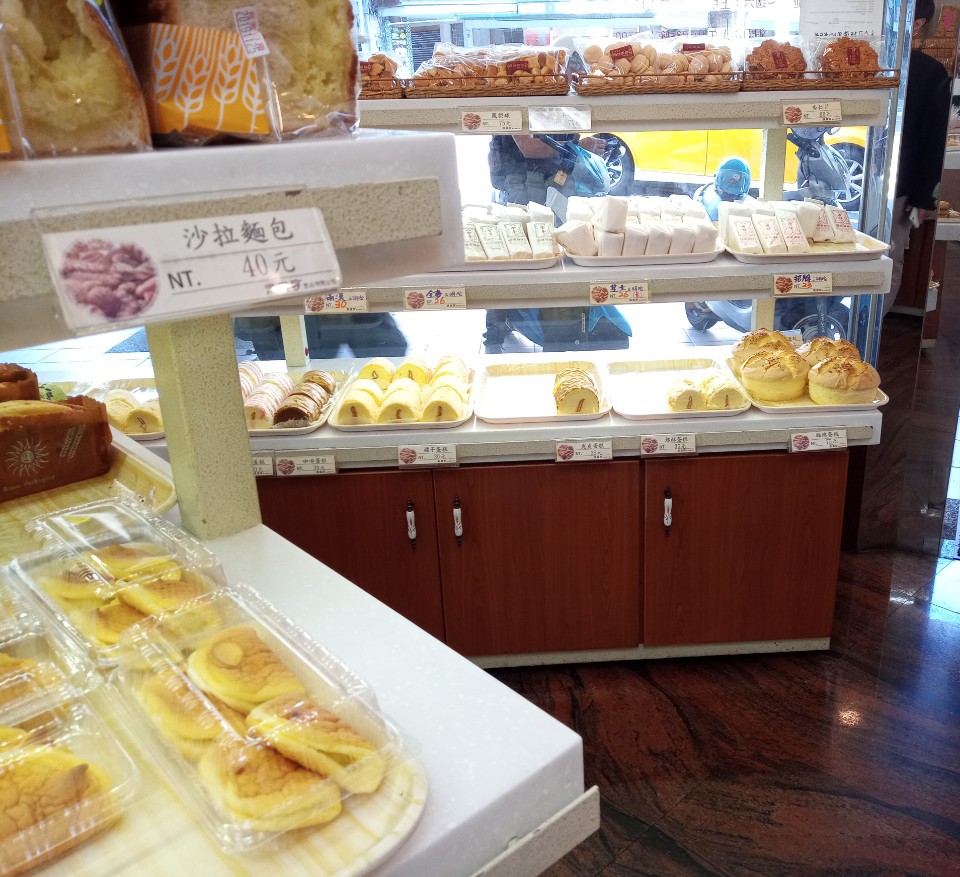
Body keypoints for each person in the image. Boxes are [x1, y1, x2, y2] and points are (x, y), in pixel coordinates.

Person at [886, 0, 953, 316]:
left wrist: (925, 197)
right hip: (848, 187)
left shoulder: (930, 71)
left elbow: (933, 139)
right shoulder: (863, 63)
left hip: (901, 188)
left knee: (889, 258)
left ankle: (870, 328)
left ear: (918, 24)